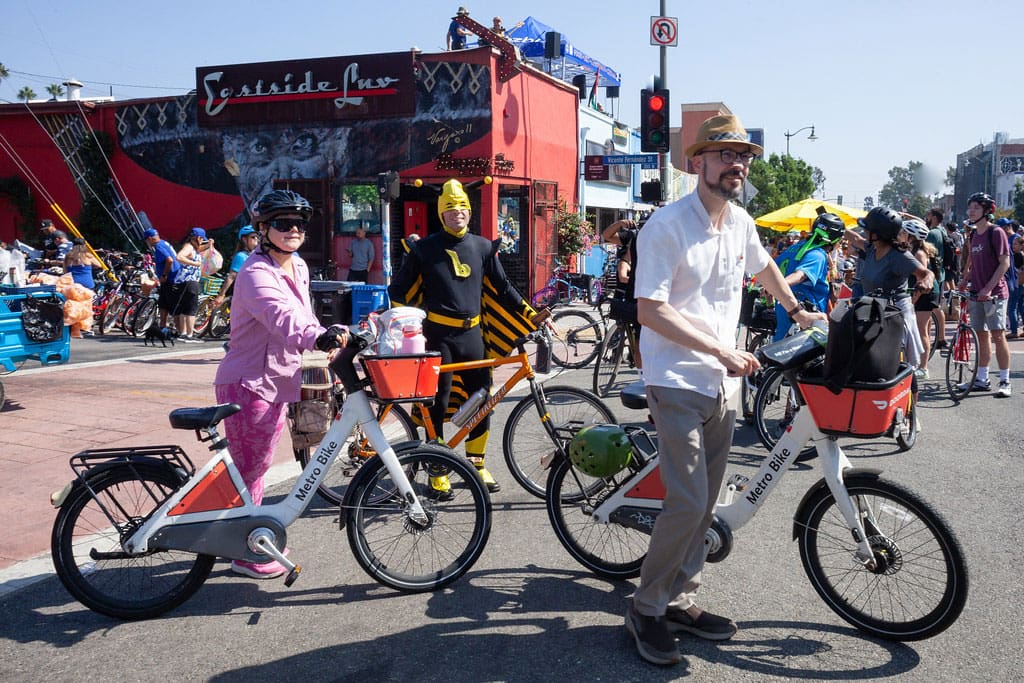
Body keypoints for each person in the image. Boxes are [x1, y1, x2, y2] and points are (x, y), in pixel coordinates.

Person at [627, 114, 823, 666]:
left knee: (707, 502)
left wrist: (795, 309)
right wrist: (718, 350)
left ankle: (681, 599)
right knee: (687, 501)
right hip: (677, 378)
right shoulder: (666, 226)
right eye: (725, 154)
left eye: (742, 156)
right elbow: (651, 309)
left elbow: (763, 269)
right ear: (698, 163)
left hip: (722, 384)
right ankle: (645, 608)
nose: (736, 164)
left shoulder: (739, 221)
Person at [214, 189, 346, 579]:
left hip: (276, 380)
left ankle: (239, 536)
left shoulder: (298, 266)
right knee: (251, 469)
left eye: (299, 224)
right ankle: (244, 551)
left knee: (254, 465)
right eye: (282, 224)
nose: (292, 230)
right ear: (263, 228)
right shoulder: (256, 273)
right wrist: (318, 336)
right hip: (248, 383)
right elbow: (283, 317)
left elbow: (302, 311)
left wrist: (331, 334)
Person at [389, 179, 542, 494]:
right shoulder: (425, 248)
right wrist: (403, 325)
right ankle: (437, 468)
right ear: (442, 213)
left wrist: (530, 313)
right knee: (438, 402)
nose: (456, 213)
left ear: (469, 212)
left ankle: (477, 464)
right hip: (437, 336)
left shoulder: (483, 246)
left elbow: (503, 287)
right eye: (449, 209)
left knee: (482, 398)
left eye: (461, 208)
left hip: (473, 335)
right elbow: (399, 290)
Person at [960, 193, 1012, 397]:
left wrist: (988, 288)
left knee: (998, 335)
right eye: (970, 207)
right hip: (976, 293)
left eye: (976, 207)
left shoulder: (995, 232)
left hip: (995, 294)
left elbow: (1004, 263)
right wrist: (965, 280)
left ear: (986, 211)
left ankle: (1005, 380)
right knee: (981, 335)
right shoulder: (974, 235)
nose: (971, 211)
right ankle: (982, 378)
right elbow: (975, 265)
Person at [771, 212, 847, 341]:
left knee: (778, 350)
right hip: (806, 313)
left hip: (784, 306)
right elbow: (799, 276)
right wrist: (776, 286)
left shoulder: (794, 248)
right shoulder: (817, 254)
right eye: (840, 240)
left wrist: (771, 287)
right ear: (834, 239)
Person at [172, 227, 207, 342]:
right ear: (198, 238)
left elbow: (200, 249)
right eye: (202, 239)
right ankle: (190, 334)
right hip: (190, 281)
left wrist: (209, 245)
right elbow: (179, 257)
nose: (202, 242)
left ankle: (183, 333)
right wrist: (195, 264)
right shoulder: (189, 248)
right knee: (191, 309)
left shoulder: (191, 247)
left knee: (184, 309)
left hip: (183, 282)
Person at [213, 225, 258, 308]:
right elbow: (231, 277)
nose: (256, 240)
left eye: (257, 237)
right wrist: (221, 295)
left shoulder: (253, 256)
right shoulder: (241, 256)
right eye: (253, 237)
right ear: (244, 239)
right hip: (241, 296)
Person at [144, 227, 181, 329]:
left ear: (151, 238)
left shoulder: (159, 247)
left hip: (171, 279)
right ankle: (163, 327)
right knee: (163, 304)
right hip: (170, 279)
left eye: (147, 240)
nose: (147, 242)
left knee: (173, 306)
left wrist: (164, 275)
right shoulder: (164, 243)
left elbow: (169, 260)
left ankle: (179, 331)